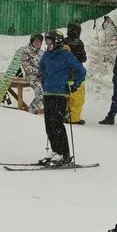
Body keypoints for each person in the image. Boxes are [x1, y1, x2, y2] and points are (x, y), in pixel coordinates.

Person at [37, 32, 85, 166]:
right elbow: (41, 67)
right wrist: (44, 79)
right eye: (46, 42)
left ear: (57, 42)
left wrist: (74, 85)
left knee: (57, 124)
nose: (47, 44)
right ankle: (55, 150)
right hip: (48, 93)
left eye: (49, 42)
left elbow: (81, 71)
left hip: (60, 94)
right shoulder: (47, 54)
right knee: (49, 125)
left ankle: (64, 153)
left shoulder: (66, 56)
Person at [63, 22, 88, 125]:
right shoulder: (78, 42)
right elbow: (83, 58)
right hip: (76, 75)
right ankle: (74, 118)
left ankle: (63, 115)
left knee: (65, 97)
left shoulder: (63, 42)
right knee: (77, 99)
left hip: (64, 75)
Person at [19, 34, 45, 114]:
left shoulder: (42, 53)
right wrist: (38, 71)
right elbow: (26, 66)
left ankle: (51, 112)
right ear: (32, 41)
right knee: (41, 94)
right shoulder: (27, 51)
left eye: (39, 41)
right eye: (36, 41)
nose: (38, 43)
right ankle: (31, 112)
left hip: (43, 77)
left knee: (51, 92)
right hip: (32, 77)